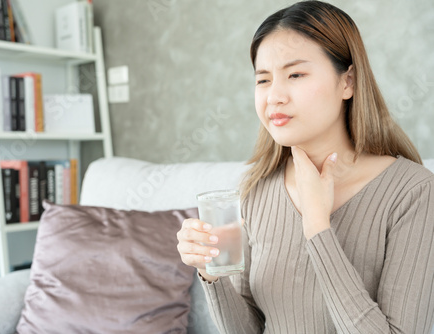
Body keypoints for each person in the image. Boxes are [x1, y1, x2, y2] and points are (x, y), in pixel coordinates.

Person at [176, 1, 434, 333]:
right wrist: (211, 272)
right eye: (263, 80)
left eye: (295, 74)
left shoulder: (413, 192)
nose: (274, 96)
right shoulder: (256, 189)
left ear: (348, 82)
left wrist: (317, 226)